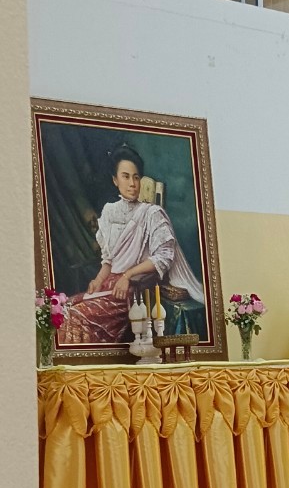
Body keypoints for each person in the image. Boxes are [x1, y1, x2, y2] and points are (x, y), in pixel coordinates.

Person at [59, 144, 205, 346]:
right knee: (65, 308)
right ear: (115, 180)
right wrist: (98, 280)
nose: (132, 184)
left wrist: (127, 275)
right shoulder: (109, 212)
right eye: (126, 177)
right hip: (108, 286)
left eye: (136, 177)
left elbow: (164, 256)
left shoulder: (151, 213)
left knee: (76, 317)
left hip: (131, 292)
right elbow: (109, 260)